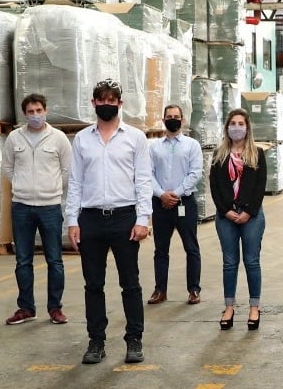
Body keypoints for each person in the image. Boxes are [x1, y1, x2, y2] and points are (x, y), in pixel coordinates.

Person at [65, 79, 153, 365]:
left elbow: (142, 181)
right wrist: (72, 220)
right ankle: (96, 341)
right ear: (93, 104)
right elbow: (75, 182)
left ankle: (134, 339)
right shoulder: (82, 139)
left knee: (130, 283)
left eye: (111, 100)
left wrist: (143, 218)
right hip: (90, 219)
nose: (106, 105)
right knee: (93, 284)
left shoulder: (135, 138)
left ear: (120, 103)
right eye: (101, 100)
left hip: (125, 218)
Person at [2, 93, 73, 326]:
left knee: (55, 260)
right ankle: (26, 308)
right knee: (23, 260)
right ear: (25, 114)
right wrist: (23, 188)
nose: (35, 115)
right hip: (21, 206)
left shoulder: (58, 138)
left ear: (46, 111)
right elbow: (8, 169)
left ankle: (55, 308)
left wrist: (49, 189)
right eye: (30, 112)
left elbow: (66, 171)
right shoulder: (14, 138)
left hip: (50, 207)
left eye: (38, 111)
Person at [209, 109, 267, 332]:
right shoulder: (219, 155)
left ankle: (254, 307)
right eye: (232, 123)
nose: (236, 127)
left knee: (252, 261)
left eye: (241, 123)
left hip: (251, 216)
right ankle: (229, 307)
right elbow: (214, 187)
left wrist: (248, 212)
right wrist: (226, 211)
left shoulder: (257, 154)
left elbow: (260, 186)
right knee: (229, 263)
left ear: (247, 127)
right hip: (226, 217)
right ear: (227, 127)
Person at [147, 105, 203, 306]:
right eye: (169, 116)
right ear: (163, 120)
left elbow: (196, 173)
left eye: (176, 117)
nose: (173, 119)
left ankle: (194, 290)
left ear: (183, 120)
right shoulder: (153, 146)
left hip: (184, 203)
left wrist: (176, 193)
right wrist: (162, 194)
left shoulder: (192, 145)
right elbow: (148, 174)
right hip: (160, 204)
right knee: (160, 250)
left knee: (191, 248)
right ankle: (160, 290)